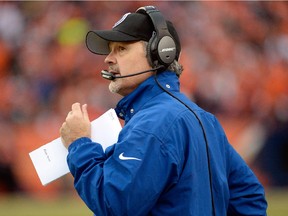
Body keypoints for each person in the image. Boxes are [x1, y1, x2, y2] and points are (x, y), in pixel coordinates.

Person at [60, 5, 267, 216]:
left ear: (160, 53)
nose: (108, 58)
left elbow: (114, 204)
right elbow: (250, 198)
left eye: (122, 48)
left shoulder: (152, 123)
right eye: (111, 49)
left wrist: (80, 145)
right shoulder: (205, 119)